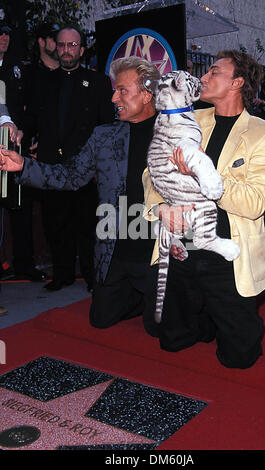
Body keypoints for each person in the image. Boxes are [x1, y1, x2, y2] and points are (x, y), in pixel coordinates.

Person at [143, 50, 265, 368]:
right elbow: (151, 171)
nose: (203, 78)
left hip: (226, 252)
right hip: (181, 244)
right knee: (169, 340)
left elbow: (254, 202)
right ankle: (204, 315)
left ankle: (231, 317)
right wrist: (162, 206)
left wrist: (201, 174)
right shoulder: (187, 118)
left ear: (237, 82)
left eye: (214, 72)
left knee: (239, 358)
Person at [0, 56, 161, 336]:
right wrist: (24, 165)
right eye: (114, 89)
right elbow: (70, 177)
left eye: (122, 90)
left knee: (162, 331)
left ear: (147, 94)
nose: (113, 98)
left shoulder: (174, 134)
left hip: (156, 251)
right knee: (101, 319)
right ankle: (141, 298)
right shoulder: (103, 136)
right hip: (115, 249)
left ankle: (170, 300)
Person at [23, 24, 115, 292]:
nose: (66, 50)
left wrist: (101, 164)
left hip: (85, 168)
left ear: (82, 50)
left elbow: (107, 125)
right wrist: (22, 134)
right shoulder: (44, 81)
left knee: (87, 226)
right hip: (51, 165)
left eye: (72, 45)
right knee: (55, 224)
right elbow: (32, 119)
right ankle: (61, 275)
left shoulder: (99, 82)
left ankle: (90, 276)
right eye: (61, 45)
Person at [0, 16, 47, 282]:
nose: (4, 38)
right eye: (0, 34)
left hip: (15, 144)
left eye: (7, 33)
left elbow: (31, 109)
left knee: (21, 205)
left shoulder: (19, 67)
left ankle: (24, 263)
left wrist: (23, 131)